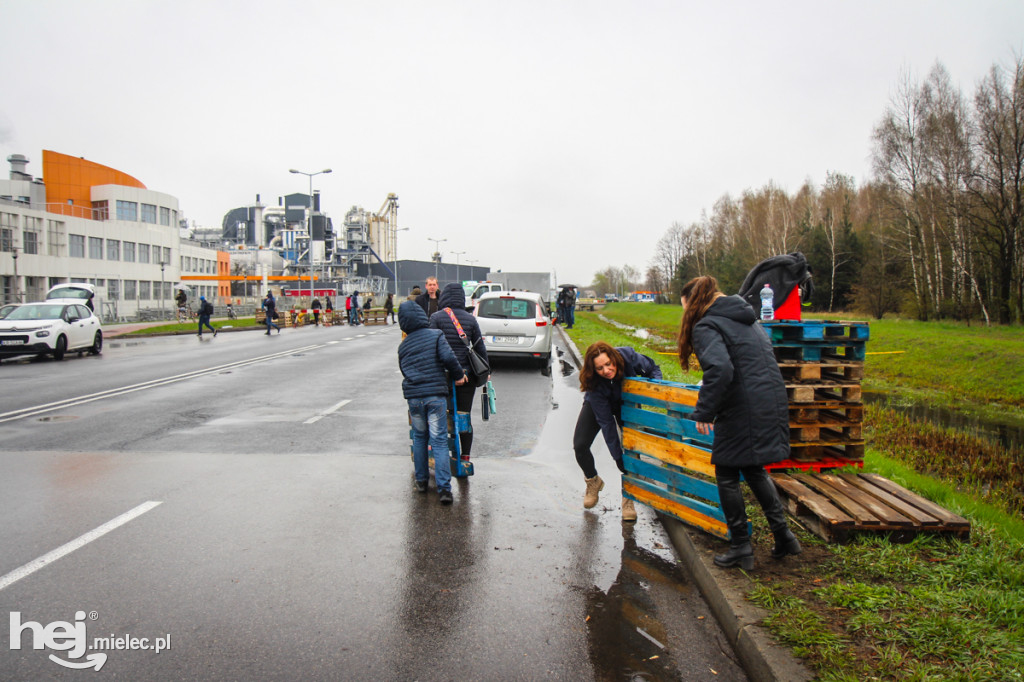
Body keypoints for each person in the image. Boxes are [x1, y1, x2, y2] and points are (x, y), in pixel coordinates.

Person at [677, 275, 801, 570]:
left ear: (694, 303)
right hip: (769, 400)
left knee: (727, 473)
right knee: (753, 467)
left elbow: (719, 369)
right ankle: (784, 536)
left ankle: (740, 546)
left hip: (743, 407)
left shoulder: (707, 324)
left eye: (685, 309)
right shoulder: (747, 318)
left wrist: (705, 411)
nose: (686, 316)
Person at [573, 341, 661, 523]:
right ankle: (592, 481)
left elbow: (653, 368)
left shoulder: (627, 357)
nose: (606, 370)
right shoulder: (595, 384)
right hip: (600, 400)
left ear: (614, 358)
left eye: (608, 364)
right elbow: (607, 426)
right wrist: (618, 459)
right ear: (593, 370)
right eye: (599, 368)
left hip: (626, 400)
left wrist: (653, 390)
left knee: (632, 447)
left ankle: (629, 499)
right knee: (580, 445)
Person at [398, 300, 468, 505]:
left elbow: (404, 370)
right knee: (438, 440)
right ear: (421, 316)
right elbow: (448, 357)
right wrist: (458, 375)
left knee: (419, 438)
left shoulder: (403, 346)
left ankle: (421, 482)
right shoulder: (435, 335)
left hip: (414, 398)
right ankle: (444, 490)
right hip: (435, 397)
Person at [429, 283, 489, 463]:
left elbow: (432, 346)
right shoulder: (471, 319)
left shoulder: (436, 317)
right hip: (467, 376)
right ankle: (465, 456)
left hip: (443, 377)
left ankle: (438, 453)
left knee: (440, 416)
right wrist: (487, 370)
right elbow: (480, 347)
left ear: (445, 298)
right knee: (464, 415)